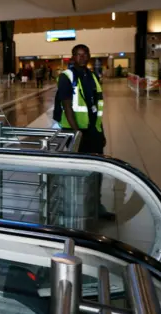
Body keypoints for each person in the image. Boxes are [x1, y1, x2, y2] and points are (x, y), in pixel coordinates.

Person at [55, 44, 114, 221]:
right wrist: (76, 132)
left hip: (92, 130)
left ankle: (95, 205)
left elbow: (96, 108)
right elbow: (66, 105)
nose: (82, 57)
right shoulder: (66, 77)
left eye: (85, 54)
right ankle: (69, 207)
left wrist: (100, 132)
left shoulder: (93, 76)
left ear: (88, 56)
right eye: (78, 55)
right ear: (72, 57)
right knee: (75, 170)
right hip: (75, 132)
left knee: (96, 169)